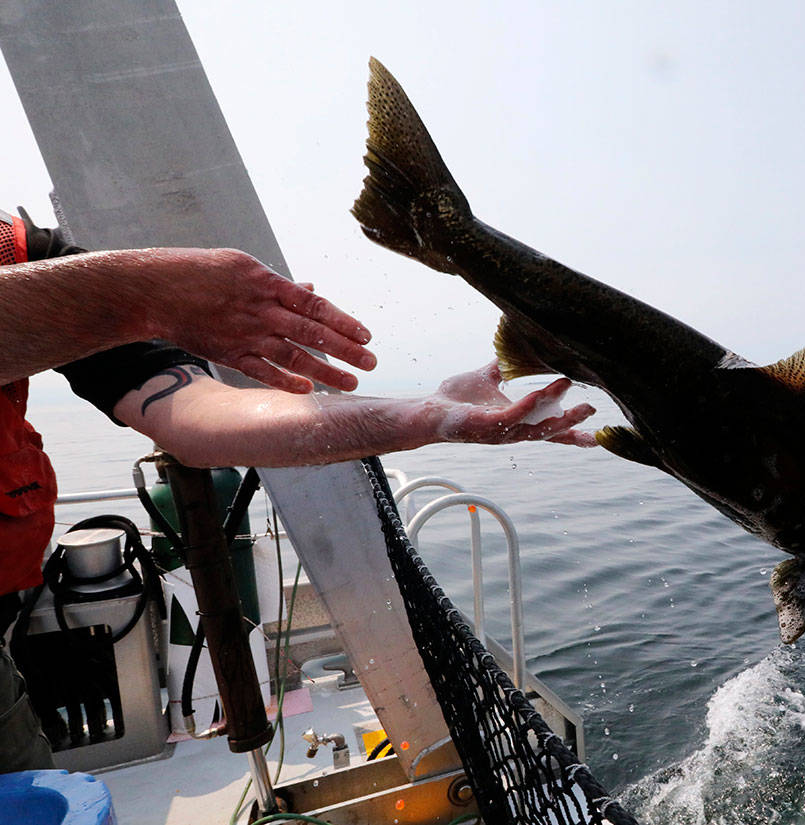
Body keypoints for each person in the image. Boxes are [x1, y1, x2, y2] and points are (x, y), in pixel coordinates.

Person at [0, 207, 596, 772]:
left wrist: (422, 416)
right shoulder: (109, 289)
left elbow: (198, 418)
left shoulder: (30, 255)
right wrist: (149, 292)